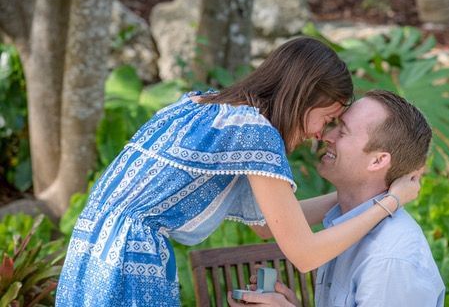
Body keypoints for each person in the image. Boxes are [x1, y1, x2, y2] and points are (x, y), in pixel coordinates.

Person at [55, 38, 422, 307]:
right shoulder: (255, 134)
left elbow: (270, 225)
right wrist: (389, 202)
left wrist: (356, 197)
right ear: (302, 97)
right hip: (129, 258)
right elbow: (305, 255)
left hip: (93, 246)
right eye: (327, 119)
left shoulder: (208, 107)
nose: (319, 135)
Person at [229, 90, 445, 307]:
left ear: (378, 161)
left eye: (343, 132)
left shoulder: (390, 259)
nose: (326, 136)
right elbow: (264, 223)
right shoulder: (346, 225)